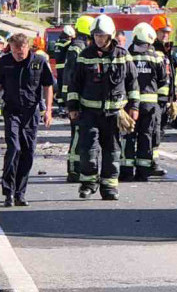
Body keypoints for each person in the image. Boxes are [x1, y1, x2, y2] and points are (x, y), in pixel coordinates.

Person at [67, 14, 138, 200]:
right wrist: (72, 106)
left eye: (102, 35)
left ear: (111, 36)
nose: (99, 39)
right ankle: (88, 184)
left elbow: (133, 83)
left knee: (112, 151)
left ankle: (109, 187)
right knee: (88, 150)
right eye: (96, 35)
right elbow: (74, 84)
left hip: (114, 113)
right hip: (89, 112)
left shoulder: (123, 56)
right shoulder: (85, 56)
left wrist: (134, 107)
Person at [0, 33, 55, 207]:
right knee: (14, 149)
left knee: (28, 152)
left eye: (22, 50)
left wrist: (48, 110)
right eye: (15, 50)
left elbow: (48, 86)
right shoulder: (4, 62)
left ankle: (20, 193)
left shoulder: (39, 62)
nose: (19, 53)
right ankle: (8, 192)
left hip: (31, 113)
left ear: (27, 47)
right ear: (10, 47)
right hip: (11, 111)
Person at [120, 23, 167, 181]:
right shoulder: (156, 57)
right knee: (145, 137)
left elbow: (120, 80)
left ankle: (126, 171)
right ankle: (143, 172)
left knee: (128, 136)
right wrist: (161, 102)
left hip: (130, 105)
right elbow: (163, 81)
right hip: (149, 106)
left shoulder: (126, 56)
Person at [62, 15, 94, 181]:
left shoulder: (78, 46)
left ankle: (77, 167)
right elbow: (73, 76)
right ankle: (74, 169)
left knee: (79, 133)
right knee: (77, 133)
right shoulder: (79, 48)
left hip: (77, 97)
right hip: (77, 98)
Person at [153, 21, 177, 131]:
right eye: (162, 32)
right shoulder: (152, 50)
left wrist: (175, 98)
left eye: (167, 32)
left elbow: (173, 76)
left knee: (161, 128)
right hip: (155, 98)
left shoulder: (168, 51)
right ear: (155, 32)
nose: (165, 35)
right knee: (155, 128)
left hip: (166, 99)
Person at [52, 25, 75, 112]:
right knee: (64, 85)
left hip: (58, 67)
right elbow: (72, 44)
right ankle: (63, 105)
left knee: (60, 85)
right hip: (64, 67)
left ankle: (61, 105)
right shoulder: (66, 43)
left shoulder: (58, 42)